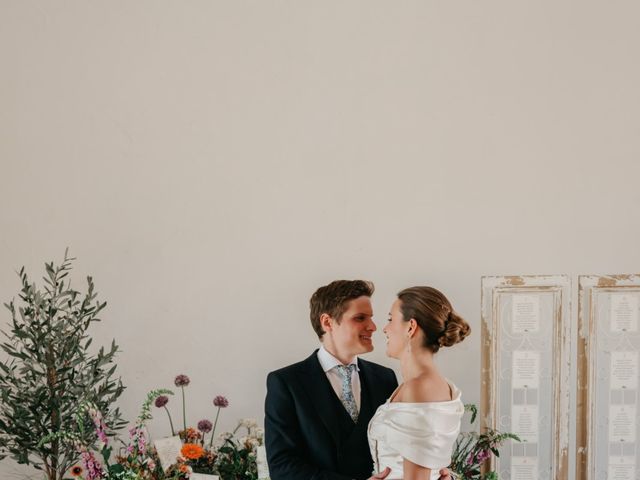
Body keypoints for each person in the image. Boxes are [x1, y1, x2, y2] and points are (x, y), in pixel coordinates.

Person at [264, 280, 452, 480]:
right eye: (360, 318)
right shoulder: (287, 383)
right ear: (327, 322)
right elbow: (282, 467)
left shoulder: (384, 378)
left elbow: (410, 448)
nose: (372, 326)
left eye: (371, 318)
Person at [368, 287, 470, 480]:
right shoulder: (425, 384)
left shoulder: (420, 387)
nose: (385, 328)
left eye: (391, 319)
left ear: (410, 327)